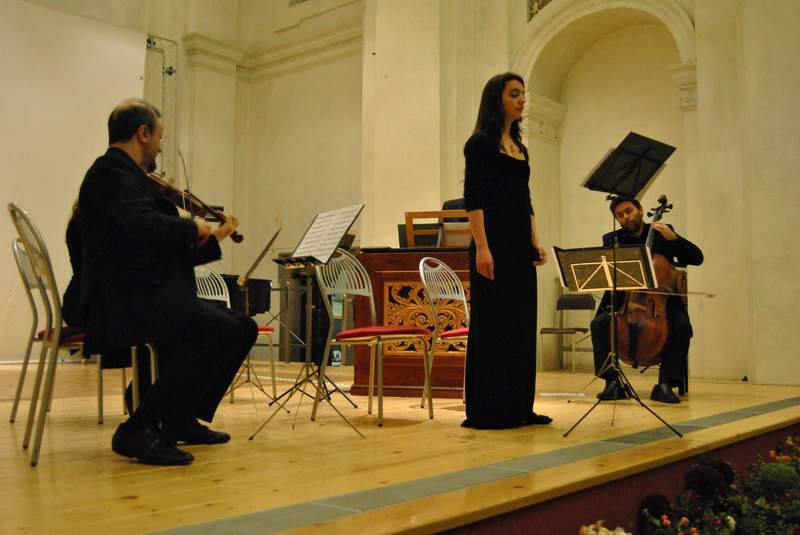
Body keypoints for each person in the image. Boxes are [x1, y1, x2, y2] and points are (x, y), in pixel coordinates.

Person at [77, 98, 257, 465]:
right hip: (121, 299)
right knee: (218, 330)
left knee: (243, 326)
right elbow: (145, 226)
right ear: (143, 133)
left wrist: (214, 235)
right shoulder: (110, 173)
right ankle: (138, 429)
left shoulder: (130, 179)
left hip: (145, 290)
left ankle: (180, 418)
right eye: (160, 136)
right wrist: (194, 226)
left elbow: (161, 246)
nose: (161, 145)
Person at [461, 72, 550, 429]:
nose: (521, 100)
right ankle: (490, 410)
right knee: (494, 326)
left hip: (518, 246)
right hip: (493, 245)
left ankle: (520, 407)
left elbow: (526, 202)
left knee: (521, 325)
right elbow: (474, 199)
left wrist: (535, 241)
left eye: (523, 94)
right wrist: (482, 248)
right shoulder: (479, 144)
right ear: (496, 99)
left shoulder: (520, 148)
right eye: (514, 94)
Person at [592, 197, 703, 404]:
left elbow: (697, 258)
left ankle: (665, 384)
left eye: (628, 211)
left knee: (682, 326)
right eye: (620, 215)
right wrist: (623, 288)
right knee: (598, 324)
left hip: (660, 301)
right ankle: (612, 382)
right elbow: (608, 275)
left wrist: (675, 239)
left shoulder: (662, 233)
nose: (625, 217)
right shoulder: (612, 239)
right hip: (623, 301)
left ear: (641, 210)